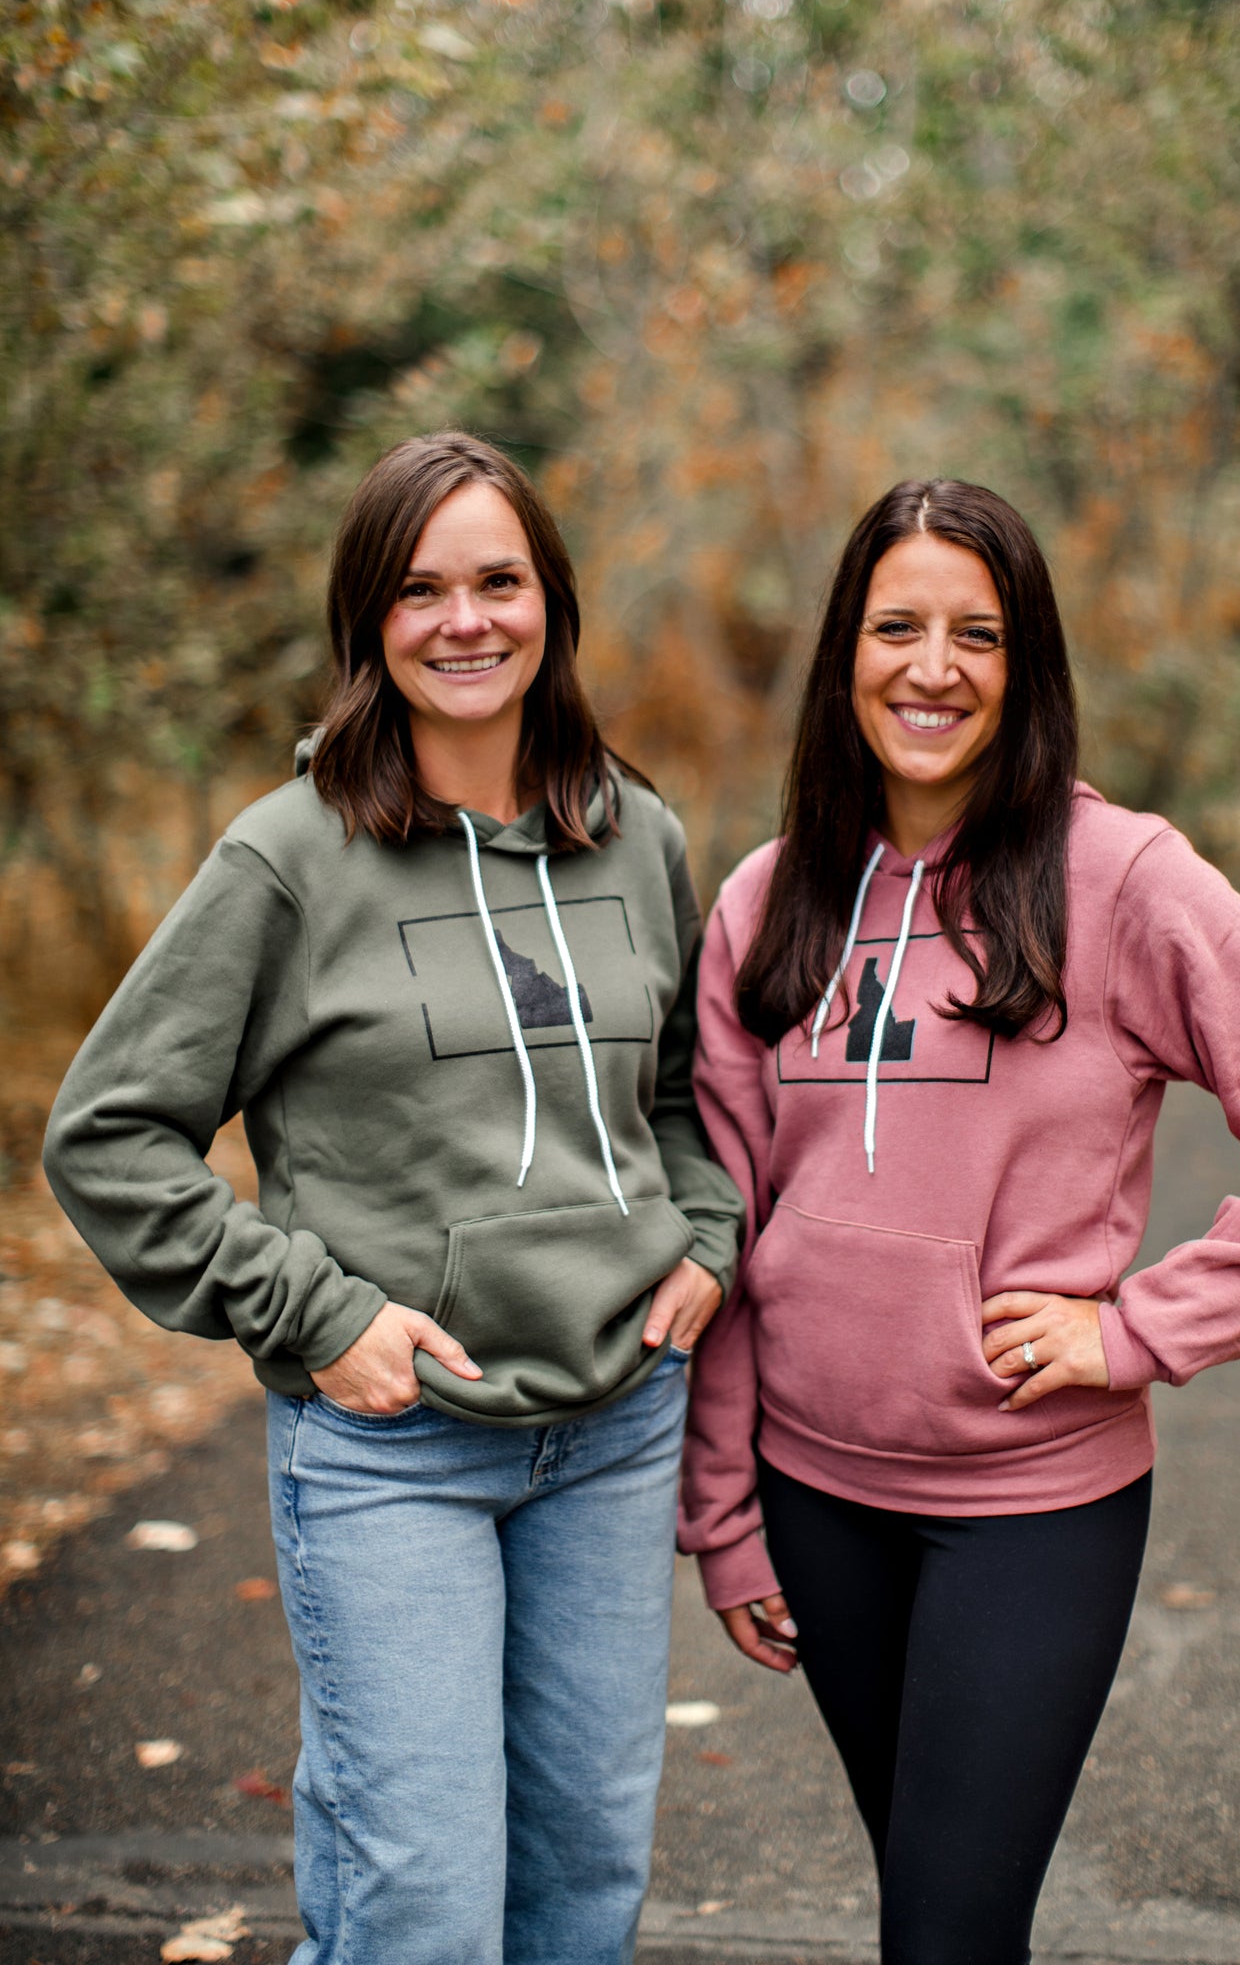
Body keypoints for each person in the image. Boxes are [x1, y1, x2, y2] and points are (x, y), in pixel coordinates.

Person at [678, 478, 1240, 1965]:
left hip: (1028, 1511)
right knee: (938, 1916)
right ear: (842, 655)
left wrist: (1137, 1327)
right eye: (895, 627)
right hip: (815, 1497)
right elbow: (728, 1236)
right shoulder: (766, 903)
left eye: (976, 633)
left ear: (1025, 667)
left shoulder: (1123, 879)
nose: (930, 667)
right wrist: (723, 1516)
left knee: (944, 1935)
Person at [44, 430, 743, 1965]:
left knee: (579, 1892)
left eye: (499, 581)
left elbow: (683, 1089)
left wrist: (704, 1233)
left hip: (616, 1432)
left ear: (550, 602)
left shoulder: (639, 838)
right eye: (419, 590)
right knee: (416, 1908)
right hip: (394, 1450)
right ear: (368, 621)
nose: (465, 621)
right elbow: (108, 1134)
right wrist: (316, 1314)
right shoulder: (288, 861)